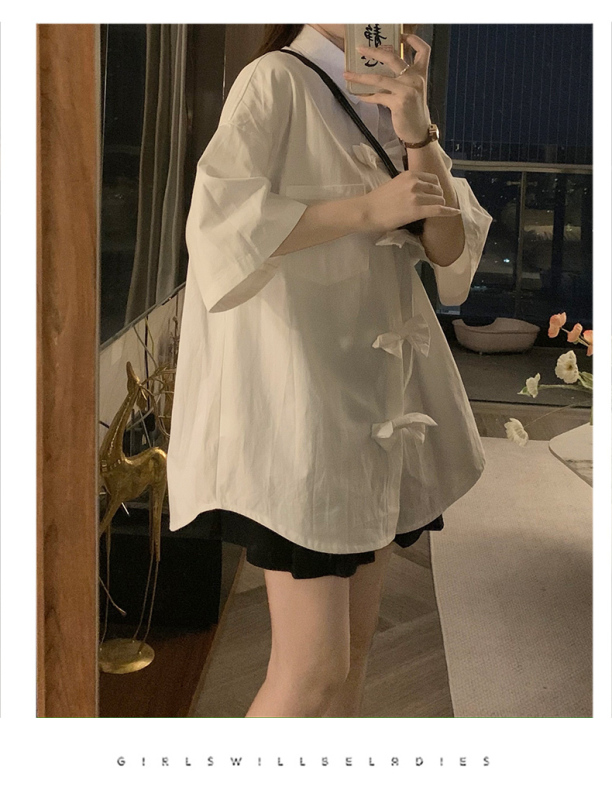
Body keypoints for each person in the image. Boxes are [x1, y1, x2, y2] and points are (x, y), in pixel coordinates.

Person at [166, 23, 493, 717]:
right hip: (301, 411)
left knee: (351, 659)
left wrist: (418, 133)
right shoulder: (275, 81)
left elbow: (448, 248)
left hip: (377, 410)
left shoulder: (390, 99)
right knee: (311, 671)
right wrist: (369, 208)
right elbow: (220, 227)